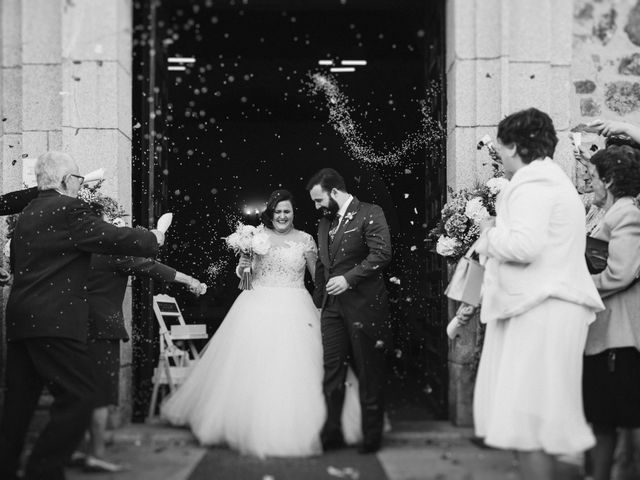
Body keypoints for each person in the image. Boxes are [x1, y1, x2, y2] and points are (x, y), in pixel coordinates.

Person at [0, 151, 163, 480]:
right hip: (54, 321)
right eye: (77, 178)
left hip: (21, 320)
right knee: (83, 397)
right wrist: (152, 238)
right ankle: (42, 471)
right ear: (64, 181)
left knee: (19, 405)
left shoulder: (27, 213)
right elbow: (111, 237)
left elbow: (17, 265)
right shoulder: (70, 209)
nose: (81, 183)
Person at [161, 189, 361, 458]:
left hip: (296, 305)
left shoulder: (305, 240)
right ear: (271, 213)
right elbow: (246, 275)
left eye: (286, 211)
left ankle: (310, 426)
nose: (282, 216)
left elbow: (317, 278)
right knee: (251, 364)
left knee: (298, 364)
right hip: (257, 304)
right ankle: (244, 423)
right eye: (277, 211)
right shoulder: (257, 237)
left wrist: (329, 299)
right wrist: (245, 264)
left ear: (293, 213)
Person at [470, 109, 605, 480]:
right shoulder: (551, 180)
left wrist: (487, 231)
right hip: (547, 305)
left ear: (513, 145)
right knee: (541, 419)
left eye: (500, 144)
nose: (497, 151)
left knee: (529, 420)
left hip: (541, 308)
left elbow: (524, 246)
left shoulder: (533, 184)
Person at [76, 199, 206, 473]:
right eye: (115, 219)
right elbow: (152, 268)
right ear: (103, 222)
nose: (120, 224)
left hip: (72, 327)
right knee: (100, 393)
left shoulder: (79, 247)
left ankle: (78, 448)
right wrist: (191, 281)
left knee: (77, 391)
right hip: (102, 328)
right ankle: (95, 453)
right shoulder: (113, 252)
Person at [307, 168, 392, 454]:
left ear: (334, 191)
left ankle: (371, 438)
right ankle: (331, 434)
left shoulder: (370, 212)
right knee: (331, 371)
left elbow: (381, 254)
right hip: (331, 310)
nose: (317, 207)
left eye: (319, 200)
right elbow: (322, 266)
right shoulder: (323, 224)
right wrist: (319, 303)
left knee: (368, 371)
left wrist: (349, 279)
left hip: (365, 306)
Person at [582, 146, 640, 480]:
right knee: (600, 417)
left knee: (618, 418)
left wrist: (577, 285)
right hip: (601, 334)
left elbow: (621, 272)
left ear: (611, 178)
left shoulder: (627, 215)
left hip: (619, 337)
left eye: (592, 177)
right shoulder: (604, 212)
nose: (589, 182)